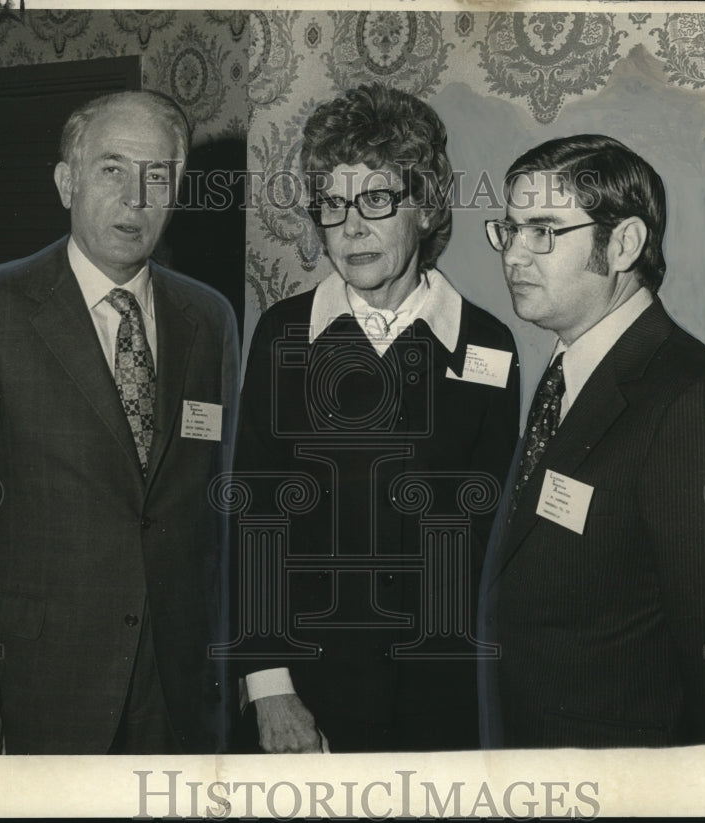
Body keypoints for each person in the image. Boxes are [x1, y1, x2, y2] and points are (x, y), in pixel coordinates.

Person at [0, 90, 239, 754]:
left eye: (158, 176)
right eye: (112, 169)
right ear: (67, 182)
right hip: (42, 683)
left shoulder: (209, 318)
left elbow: (216, 509)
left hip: (178, 685)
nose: (136, 198)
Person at [230, 83, 519, 752]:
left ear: (422, 207)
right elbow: (253, 518)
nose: (352, 227)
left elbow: (489, 539)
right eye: (333, 205)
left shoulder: (486, 345)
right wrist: (270, 688)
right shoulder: (283, 336)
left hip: (440, 700)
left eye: (377, 200)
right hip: (307, 696)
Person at [478, 134, 705, 748]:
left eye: (542, 231)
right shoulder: (571, 368)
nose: (513, 255)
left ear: (623, 243)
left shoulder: (689, 403)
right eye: (508, 230)